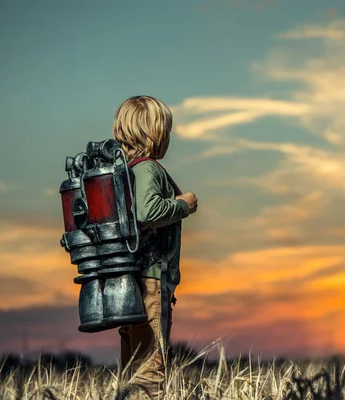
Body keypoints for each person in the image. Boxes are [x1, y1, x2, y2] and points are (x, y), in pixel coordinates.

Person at [112, 95, 198, 397]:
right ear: (155, 134)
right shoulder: (147, 168)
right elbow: (148, 212)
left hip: (129, 278)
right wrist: (183, 205)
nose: (168, 138)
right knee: (151, 366)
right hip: (150, 279)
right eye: (167, 131)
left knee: (133, 363)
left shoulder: (123, 171)